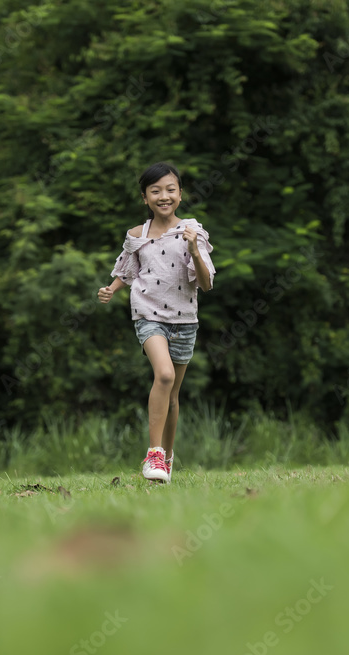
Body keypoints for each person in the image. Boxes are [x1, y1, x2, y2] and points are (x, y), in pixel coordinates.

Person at [98, 162, 216, 483]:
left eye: (170, 189)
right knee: (163, 375)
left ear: (179, 194)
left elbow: (205, 284)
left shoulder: (193, 232)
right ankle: (154, 454)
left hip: (185, 321)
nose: (163, 196)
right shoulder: (137, 235)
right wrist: (112, 288)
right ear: (145, 198)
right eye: (155, 191)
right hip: (149, 315)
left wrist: (193, 249)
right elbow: (127, 268)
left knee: (174, 395)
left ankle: (167, 455)